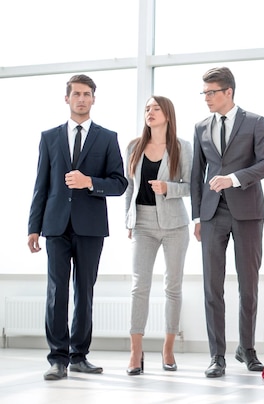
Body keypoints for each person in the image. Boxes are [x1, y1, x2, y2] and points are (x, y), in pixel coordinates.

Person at [27, 74, 128, 380]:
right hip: (55, 225)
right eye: (76, 94)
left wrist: (89, 183)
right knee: (56, 292)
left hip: (90, 227)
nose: (81, 98)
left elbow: (119, 183)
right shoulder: (49, 137)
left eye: (87, 94)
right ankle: (57, 358)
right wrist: (33, 227)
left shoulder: (107, 137)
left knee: (84, 291)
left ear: (93, 99)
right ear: (67, 98)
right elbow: (41, 185)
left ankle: (79, 355)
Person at [190, 66, 264, 378]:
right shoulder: (200, 126)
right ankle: (217, 356)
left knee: (248, 285)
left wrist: (235, 179)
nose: (206, 98)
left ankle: (247, 349)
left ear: (229, 92)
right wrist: (197, 216)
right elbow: (196, 175)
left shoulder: (255, 122)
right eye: (204, 93)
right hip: (212, 215)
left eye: (211, 92)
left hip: (248, 212)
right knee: (212, 286)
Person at [124, 96, 192, 375]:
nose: (150, 112)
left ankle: (168, 349)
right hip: (142, 222)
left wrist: (168, 188)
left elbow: (190, 187)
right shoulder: (133, 146)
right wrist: (128, 220)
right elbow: (130, 185)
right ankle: (135, 352)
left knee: (172, 287)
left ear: (168, 114)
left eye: (155, 108)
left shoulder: (182, 147)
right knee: (139, 287)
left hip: (175, 224)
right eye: (146, 109)